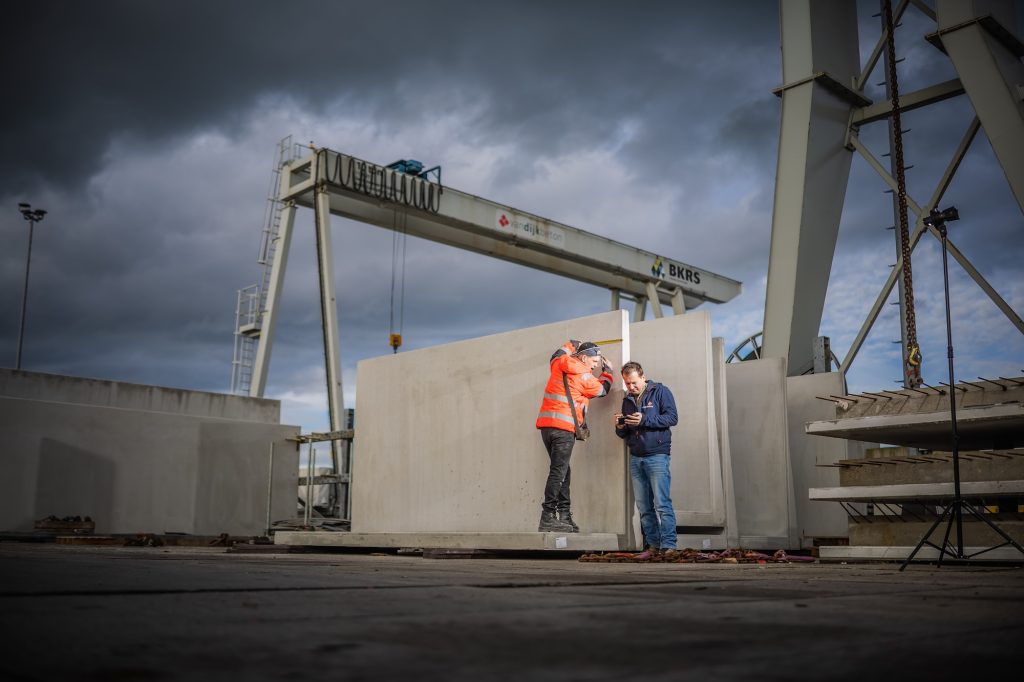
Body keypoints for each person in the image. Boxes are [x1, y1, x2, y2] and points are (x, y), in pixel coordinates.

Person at [535, 340, 614, 532]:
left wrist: (573, 343)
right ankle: (548, 517)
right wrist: (608, 372)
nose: (596, 364)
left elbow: (556, 353)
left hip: (547, 427)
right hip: (564, 429)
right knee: (559, 472)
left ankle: (563, 515)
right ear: (584, 358)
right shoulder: (584, 376)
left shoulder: (559, 364)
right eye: (595, 360)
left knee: (563, 471)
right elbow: (603, 390)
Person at [614, 361, 678, 555]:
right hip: (636, 457)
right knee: (643, 507)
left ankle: (669, 546)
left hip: (657, 455)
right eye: (627, 384)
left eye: (634, 382)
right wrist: (620, 427)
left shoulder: (660, 391)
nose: (631, 387)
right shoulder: (627, 400)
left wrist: (644, 419)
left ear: (643, 376)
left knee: (662, 504)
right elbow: (624, 435)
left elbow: (672, 418)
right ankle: (653, 546)